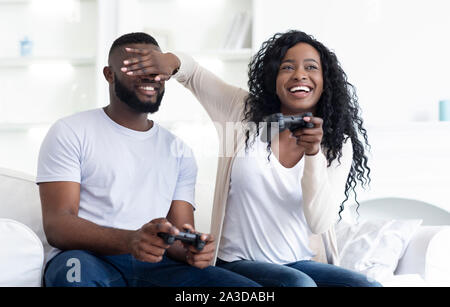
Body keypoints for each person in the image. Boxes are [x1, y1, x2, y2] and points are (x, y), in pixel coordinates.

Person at [121, 30, 382, 287]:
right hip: (237, 261)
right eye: (287, 67)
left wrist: (313, 153)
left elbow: (319, 221)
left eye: (311, 67)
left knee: (366, 285)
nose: (300, 74)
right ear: (274, 78)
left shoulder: (337, 144)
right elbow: (194, 74)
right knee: (298, 285)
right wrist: (170, 60)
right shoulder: (243, 112)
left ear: (325, 80)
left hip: (298, 262)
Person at [37, 32, 261, 287]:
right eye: (135, 67)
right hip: (88, 258)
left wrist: (192, 249)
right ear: (109, 74)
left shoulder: (179, 150)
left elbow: (178, 236)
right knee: (73, 275)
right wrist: (129, 241)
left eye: (155, 69)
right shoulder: (71, 131)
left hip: (155, 265)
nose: (149, 77)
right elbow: (58, 225)